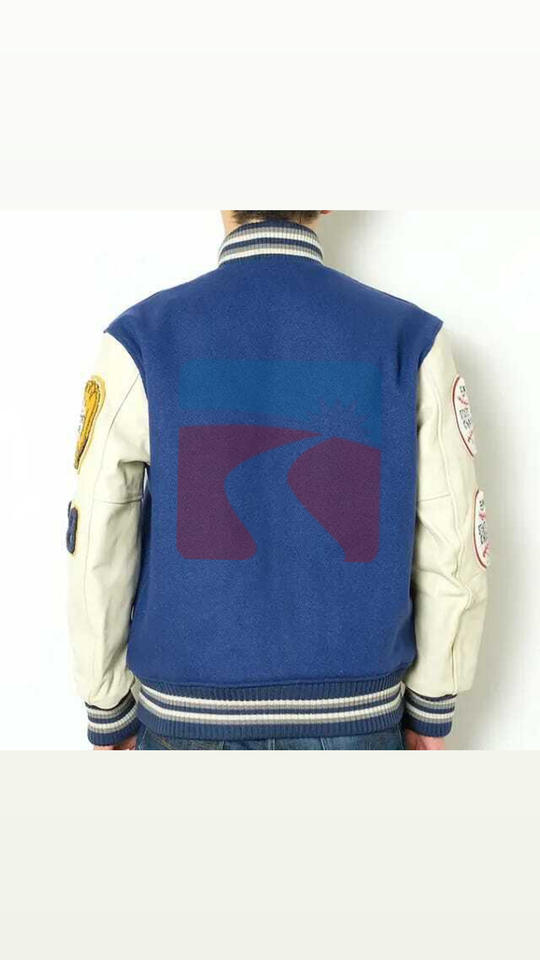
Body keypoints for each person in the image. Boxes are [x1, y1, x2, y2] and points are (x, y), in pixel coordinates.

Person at [67, 211, 489, 751]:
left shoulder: (143, 338)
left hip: (186, 721)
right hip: (356, 720)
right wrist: (433, 701)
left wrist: (107, 704)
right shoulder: (410, 340)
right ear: (326, 203)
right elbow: (455, 537)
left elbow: (99, 532)